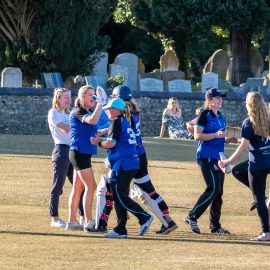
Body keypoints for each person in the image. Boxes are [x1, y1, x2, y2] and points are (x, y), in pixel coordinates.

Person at [91, 98, 153, 239]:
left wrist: (98, 142)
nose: (106, 111)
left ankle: (144, 217)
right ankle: (120, 229)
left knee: (119, 196)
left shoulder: (117, 122)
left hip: (123, 164)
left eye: (109, 109)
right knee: (119, 196)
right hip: (129, 163)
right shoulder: (123, 121)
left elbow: (111, 144)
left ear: (116, 110)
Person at [184, 88, 237, 234]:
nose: (220, 100)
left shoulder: (221, 116)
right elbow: (197, 136)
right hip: (206, 156)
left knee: (218, 192)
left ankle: (215, 226)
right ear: (209, 100)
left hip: (218, 157)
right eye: (217, 98)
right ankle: (191, 217)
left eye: (221, 98)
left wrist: (227, 140)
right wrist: (215, 134)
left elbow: (218, 137)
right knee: (212, 188)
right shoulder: (204, 114)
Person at [220, 92, 270, 241]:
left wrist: (228, 161)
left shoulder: (248, 122)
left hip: (257, 165)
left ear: (249, 105)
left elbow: (243, 147)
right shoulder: (268, 119)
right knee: (238, 171)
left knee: (259, 200)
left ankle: (266, 233)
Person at [66, 85, 103, 232]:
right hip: (79, 153)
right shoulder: (78, 111)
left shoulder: (87, 111)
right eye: (89, 95)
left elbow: (93, 129)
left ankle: (72, 221)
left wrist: (108, 130)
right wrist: (101, 102)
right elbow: (93, 121)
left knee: (78, 188)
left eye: (93, 94)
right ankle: (88, 221)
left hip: (82, 153)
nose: (92, 97)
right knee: (91, 186)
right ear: (82, 97)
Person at [47, 88, 84, 228]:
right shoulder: (54, 113)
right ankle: (55, 219)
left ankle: (82, 217)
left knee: (79, 186)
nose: (68, 100)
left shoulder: (69, 113)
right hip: (61, 151)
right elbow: (65, 128)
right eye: (65, 97)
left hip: (72, 151)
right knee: (58, 186)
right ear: (58, 99)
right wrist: (75, 118)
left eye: (69, 97)